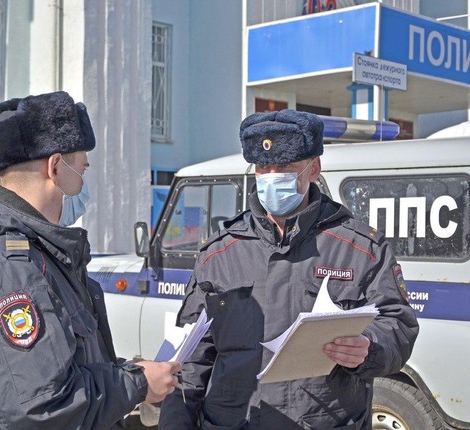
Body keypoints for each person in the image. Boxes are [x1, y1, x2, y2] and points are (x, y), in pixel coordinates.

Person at [0, 91, 181, 429]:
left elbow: (61, 364)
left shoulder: (40, 253)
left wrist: (128, 373)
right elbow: (43, 405)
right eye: (82, 168)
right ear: (56, 167)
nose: (83, 182)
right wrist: (137, 384)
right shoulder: (7, 269)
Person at [159, 109, 419, 429]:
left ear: (314, 169)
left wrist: (370, 347)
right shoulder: (220, 253)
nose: (272, 177)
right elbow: (190, 361)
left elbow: (399, 325)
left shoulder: (360, 248)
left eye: (284, 167)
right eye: (263, 167)